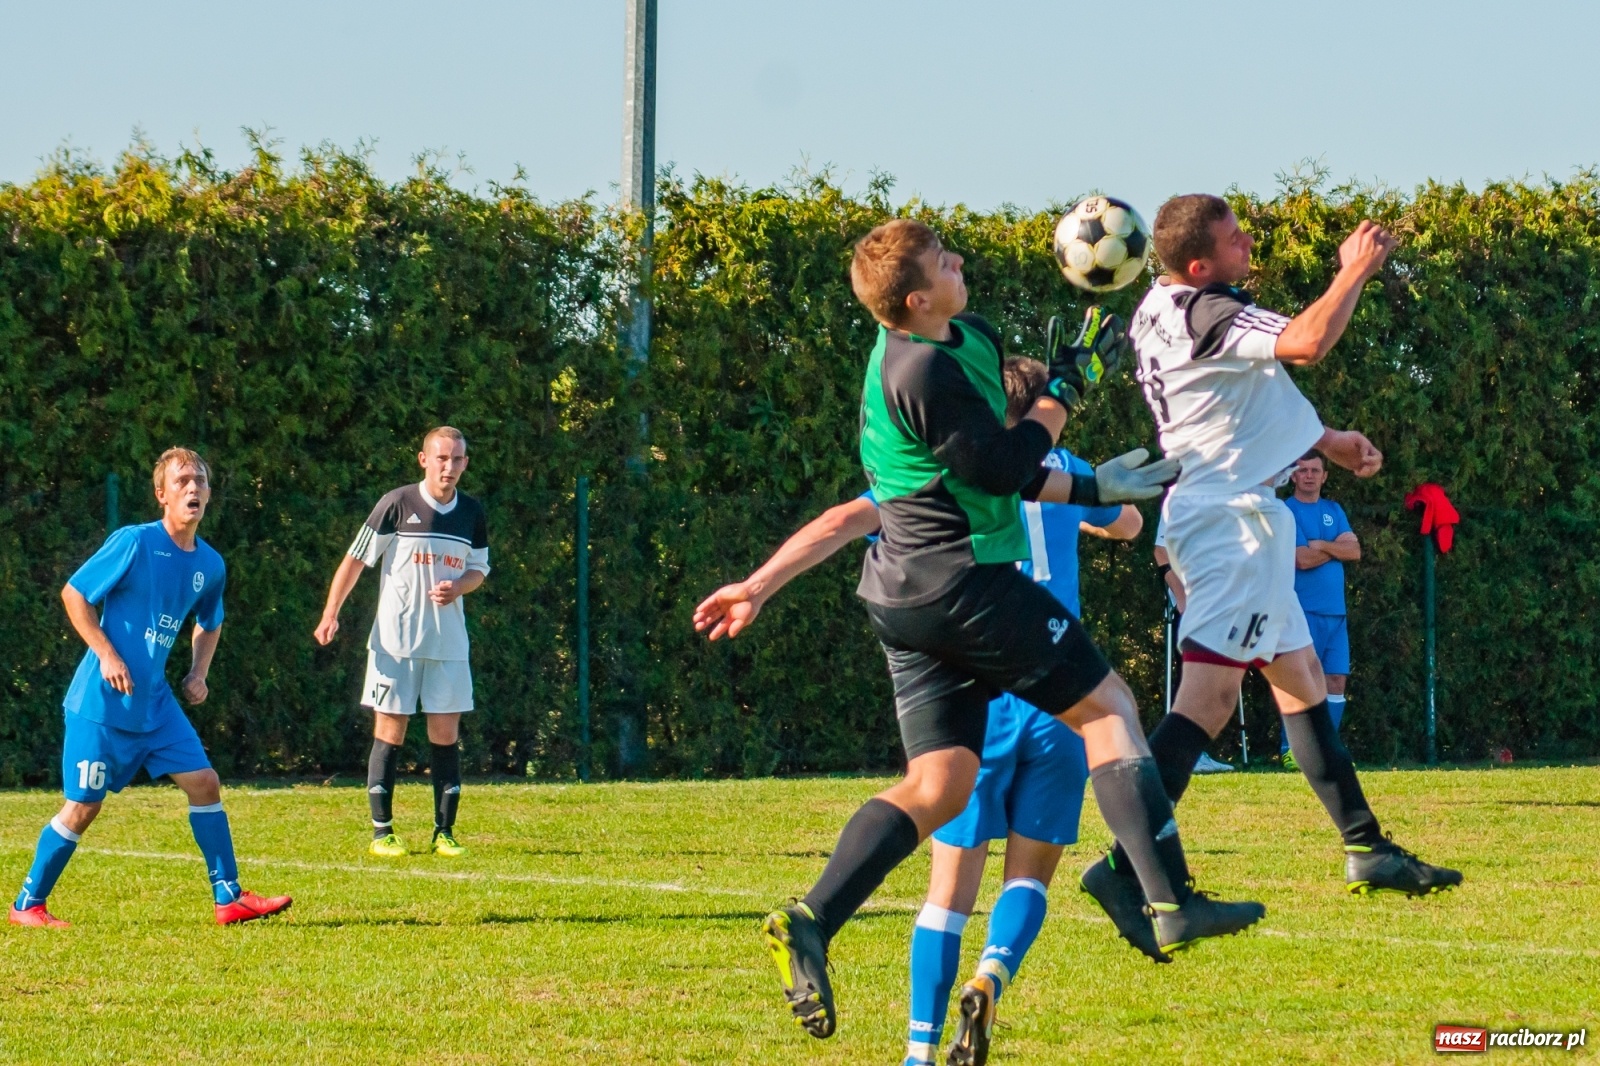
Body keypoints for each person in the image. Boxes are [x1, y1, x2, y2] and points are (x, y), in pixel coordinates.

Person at [742, 218, 1263, 1041]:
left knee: (940, 785)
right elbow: (1002, 468)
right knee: (1110, 710)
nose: (959, 262)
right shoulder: (916, 368)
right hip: (962, 586)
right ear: (916, 300)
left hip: (907, 596)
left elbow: (997, 473)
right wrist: (1062, 394)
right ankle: (1164, 897)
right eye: (943, 261)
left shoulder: (962, 339)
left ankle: (810, 918)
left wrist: (1089, 488)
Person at [696, 357, 1144, 1065]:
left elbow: (847, 520)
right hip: (1061, 699)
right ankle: (992, 975)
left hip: (983, 696)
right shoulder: (1062, 467)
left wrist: (758, 583)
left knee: (946, 892)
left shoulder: (944, 470)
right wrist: (1071, 508)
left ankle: (917, 1052)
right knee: (1031, 874)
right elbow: (1127, 522)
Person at [1080, 194, 1460, 960]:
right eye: (1233, 239)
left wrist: (1329, 439)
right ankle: (1128, 870)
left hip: (1228, 512)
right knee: (1210, 699)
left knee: (1303, 678)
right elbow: (1307, 342)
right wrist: (1354, 269)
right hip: (1231, 524)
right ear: (1199, 266)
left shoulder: (1158, 304)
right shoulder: (1210, 309)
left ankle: (1367, 848)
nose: (1247, 243)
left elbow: (1235, 398)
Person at [11, 448, 292, 928]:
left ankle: (228, 897)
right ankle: (27, 906)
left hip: (155, 704)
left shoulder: (210, 563)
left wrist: (198, 671)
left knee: (204, 782)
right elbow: (74, 595)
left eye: (200, 480)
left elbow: (210, 620)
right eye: (182, 480)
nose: (193, 488)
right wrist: (107, 652)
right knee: (82, 808)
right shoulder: (135, 542)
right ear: (162, 494)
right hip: (100, 705)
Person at [314, 427, 490, 858]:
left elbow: (479, 569)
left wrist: (459, 587)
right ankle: (383, 833)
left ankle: (444, 833)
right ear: (423, 460)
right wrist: (330, 612)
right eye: (441, 458)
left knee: (445, 736)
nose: (449, 467)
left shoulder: (471, 512)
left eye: (458, 459)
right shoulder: (397, 504)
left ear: (466, 463)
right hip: (395, 643)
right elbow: (355, 560)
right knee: (389, 732)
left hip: (447, 646)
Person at [1281, 451, 1360, 766]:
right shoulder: (1286, 511)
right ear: (1294, 476)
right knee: (1301, 680)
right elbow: (1301, 558)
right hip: (1303, 610)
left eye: (1315, 470)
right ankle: (1291, 750)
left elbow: (1354, 551)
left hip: (1336, 613)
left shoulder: (1333, 509)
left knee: (1336, 681)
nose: (1309, 475)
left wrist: (1321, 545)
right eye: (1303, 470)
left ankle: (1326, 751)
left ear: (1325, 476)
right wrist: (1335, 547)